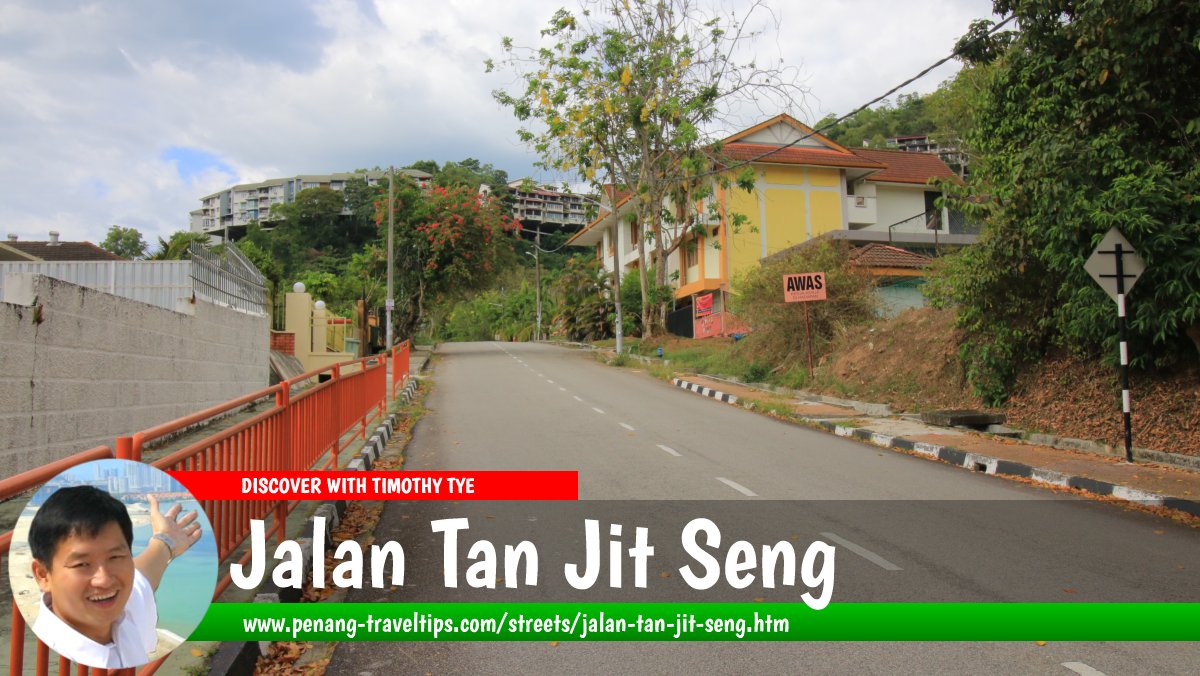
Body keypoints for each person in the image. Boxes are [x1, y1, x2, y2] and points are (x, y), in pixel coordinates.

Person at [28, 485, 202, 668]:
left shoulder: (124, 609)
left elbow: (143, 577)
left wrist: (166, 540)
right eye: (82, 564)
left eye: (115, 557)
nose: (104, 580)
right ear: (43, 575)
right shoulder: (46, 662)